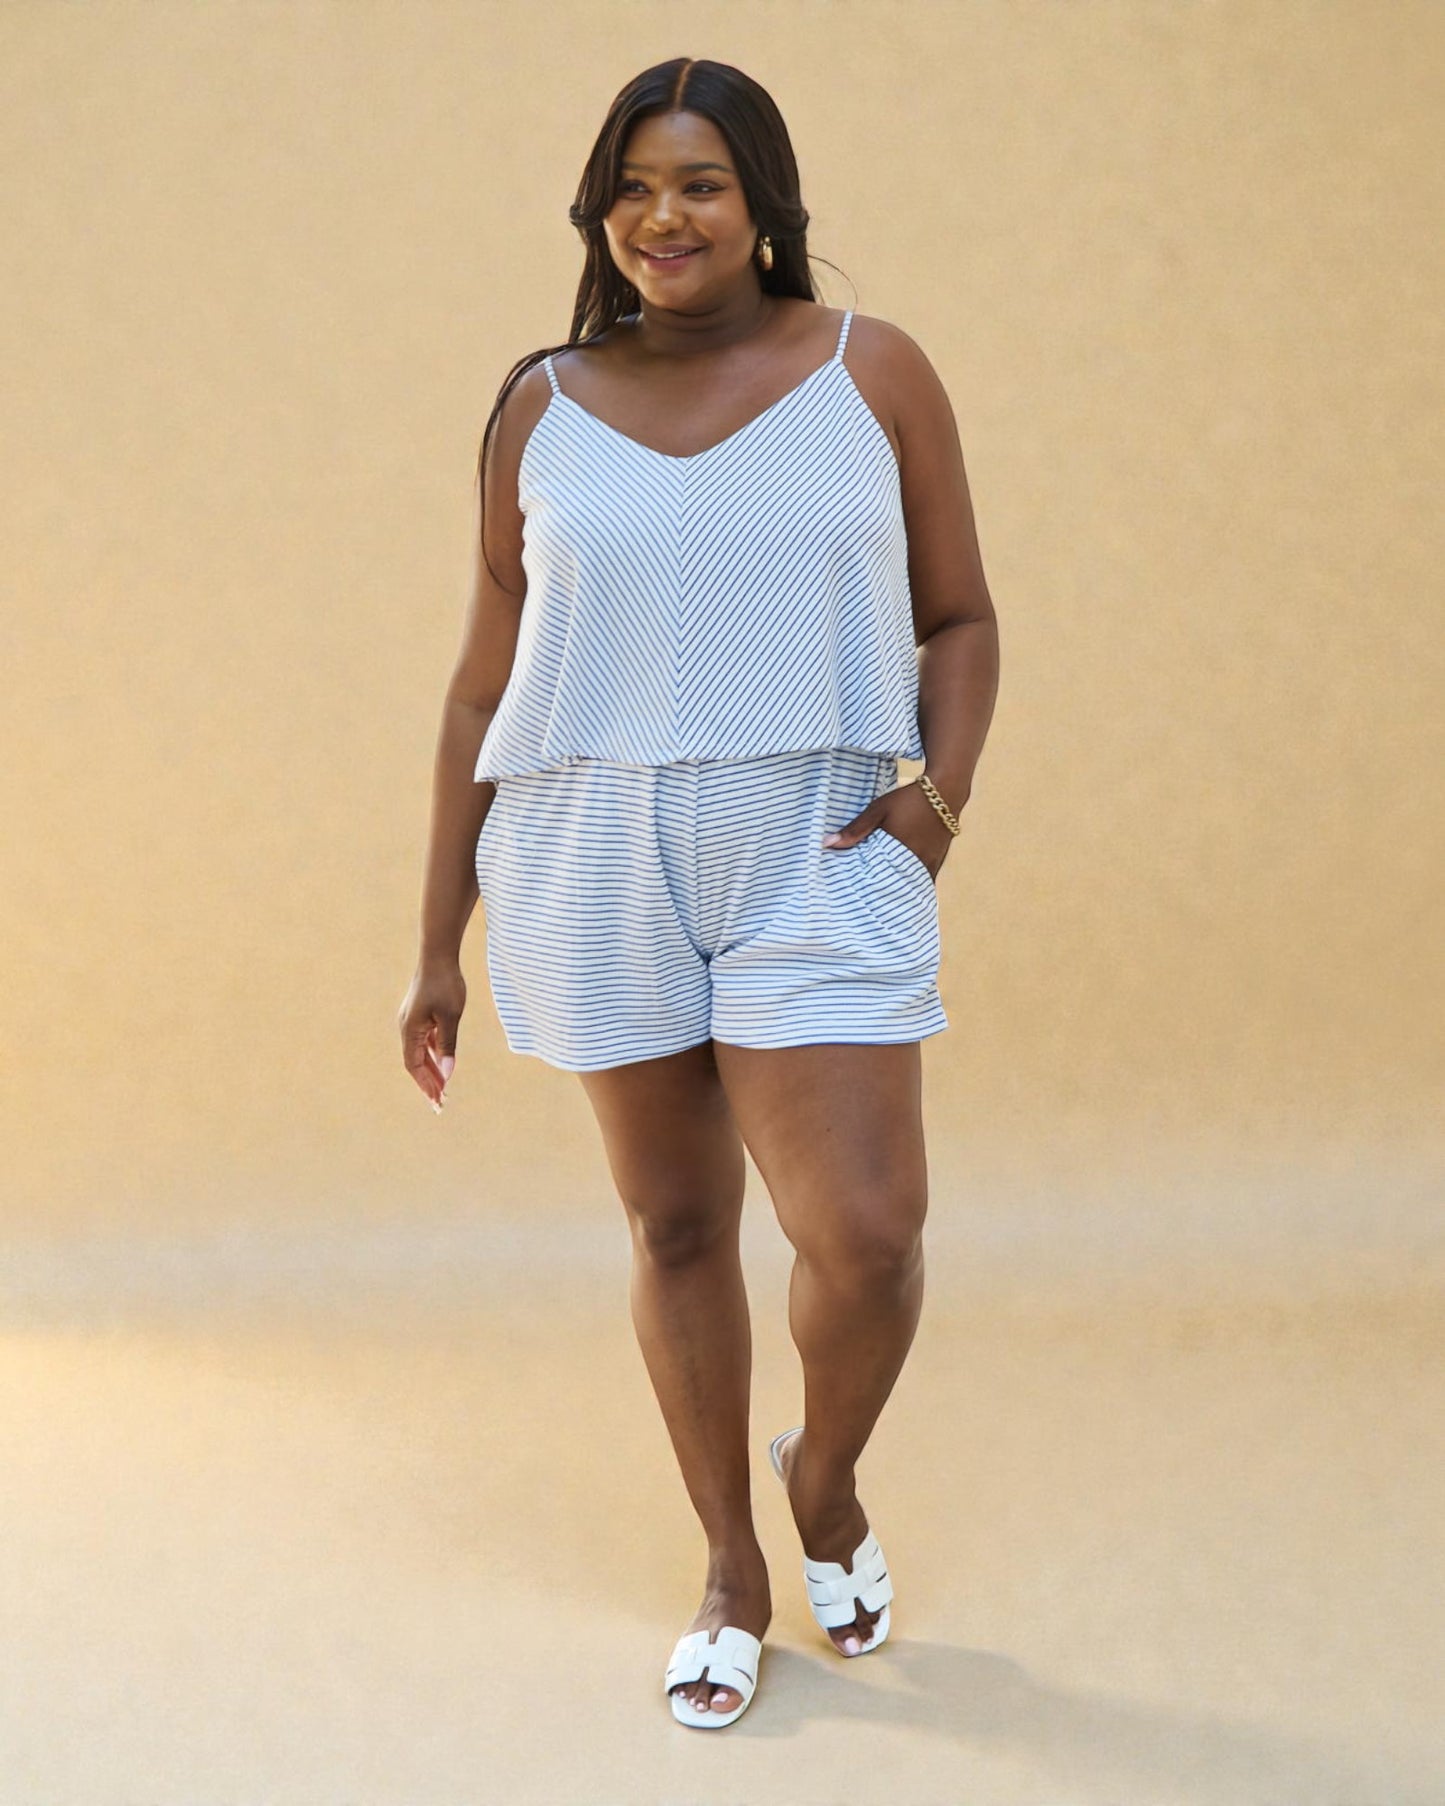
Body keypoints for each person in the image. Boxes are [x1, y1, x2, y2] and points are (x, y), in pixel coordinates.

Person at [397, 56, 999, 1730]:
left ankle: (824, 1480)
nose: (665, 216)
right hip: (588, 847)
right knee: (674, 1224)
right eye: (637, 187)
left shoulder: (870, 375)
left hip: (815, 830)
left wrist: (932, 805)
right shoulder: (538, 399)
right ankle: (731, 1565)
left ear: (763, 205)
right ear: (602, 209)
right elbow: (478, 683)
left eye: (703, 184)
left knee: (865, 1241)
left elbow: (959, 615)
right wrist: (434, 938)